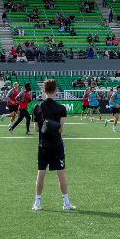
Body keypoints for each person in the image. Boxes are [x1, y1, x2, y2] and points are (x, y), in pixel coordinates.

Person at [32, 79, 75, 211]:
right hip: (56, 144)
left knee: (41, 173)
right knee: (61, 173)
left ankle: (37, 203)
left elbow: (36, 129)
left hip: (43, 145)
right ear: (56, 91)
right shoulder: (61, 108)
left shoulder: (37, 107)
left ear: (43, 90)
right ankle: (66, 203)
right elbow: (60, 130)